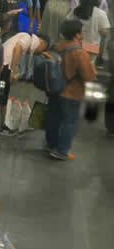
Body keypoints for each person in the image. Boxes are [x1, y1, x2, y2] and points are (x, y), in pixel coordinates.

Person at [46, 18, 96, 160]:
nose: (83, 34)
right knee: (70, 122)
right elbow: (89, 77)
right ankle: (62, 151)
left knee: (54, 118)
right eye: (82, 31)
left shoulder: (57, 46)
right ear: (76, 34)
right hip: (72, 93)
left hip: (55, 89)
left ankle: (51, 145)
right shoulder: (80, 53)